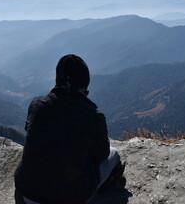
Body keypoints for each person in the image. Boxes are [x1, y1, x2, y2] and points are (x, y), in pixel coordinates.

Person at [14, 54, 123, 204]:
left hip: (27, 194)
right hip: (72, 197)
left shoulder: (37, 106)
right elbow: (103, 154)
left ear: (58, 79)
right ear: (86, 83)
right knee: (114, 154)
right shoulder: (93, 116)